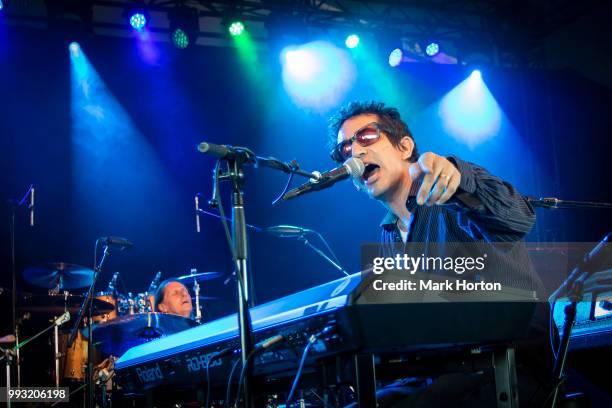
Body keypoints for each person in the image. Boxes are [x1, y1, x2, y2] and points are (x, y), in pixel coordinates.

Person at [328, 101, 550, 407]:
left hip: (508, 369)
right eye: (345, 148)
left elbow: (519, 218)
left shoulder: (451, 194)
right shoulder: (388, 235)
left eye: (366, 136)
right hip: (439, 372)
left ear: (405, 146)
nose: (354, 151)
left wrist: (459, 177)